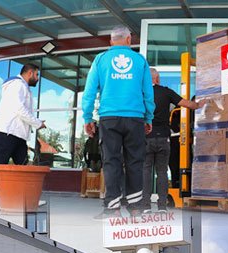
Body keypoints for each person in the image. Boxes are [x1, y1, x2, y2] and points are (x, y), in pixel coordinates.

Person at [82, 26, 153, 219]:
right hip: (135, 118)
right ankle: (136, 208)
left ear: (111, 41)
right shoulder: (140, 61)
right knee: (135, 162)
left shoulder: (100, 60)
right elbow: (148, 92)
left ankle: (112, 208)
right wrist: (148, 117)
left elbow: (89, 93)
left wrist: (88, 118)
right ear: (129, 40)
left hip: (109, 118)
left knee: (111, 161)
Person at [0, 64, 45, 208]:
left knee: (22, 166)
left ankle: (27, 198)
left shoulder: (22, 86)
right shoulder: (17, 85)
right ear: (30, 73)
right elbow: (19, 109)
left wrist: (35, 123)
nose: (37, 78)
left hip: (17, 134)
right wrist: (37, 123)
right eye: (37, 75)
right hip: (8, 132)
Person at [144, 68, 203, 213]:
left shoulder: (141, 94)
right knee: (162, 172)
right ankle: (162, 206)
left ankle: (145, 206)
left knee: (145, 171)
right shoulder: (166, 92)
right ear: (157, 78)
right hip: (164, 137)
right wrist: (200, 104)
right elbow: (188, 105)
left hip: (145, 137)